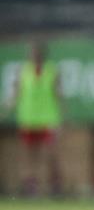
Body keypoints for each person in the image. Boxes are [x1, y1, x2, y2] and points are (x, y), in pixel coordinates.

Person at [12, 41, 63, 197]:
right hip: (28, 118)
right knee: (30, 154)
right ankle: (31, 185)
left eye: (36, 53)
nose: (34, 56)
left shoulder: (52, 71)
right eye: (32, 53)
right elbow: (16, 93)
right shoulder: (23, 71)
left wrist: (61, 116)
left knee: (50, 153)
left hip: (48, 118)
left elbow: (58, 94)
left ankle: (54, 185)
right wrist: (9, 105)